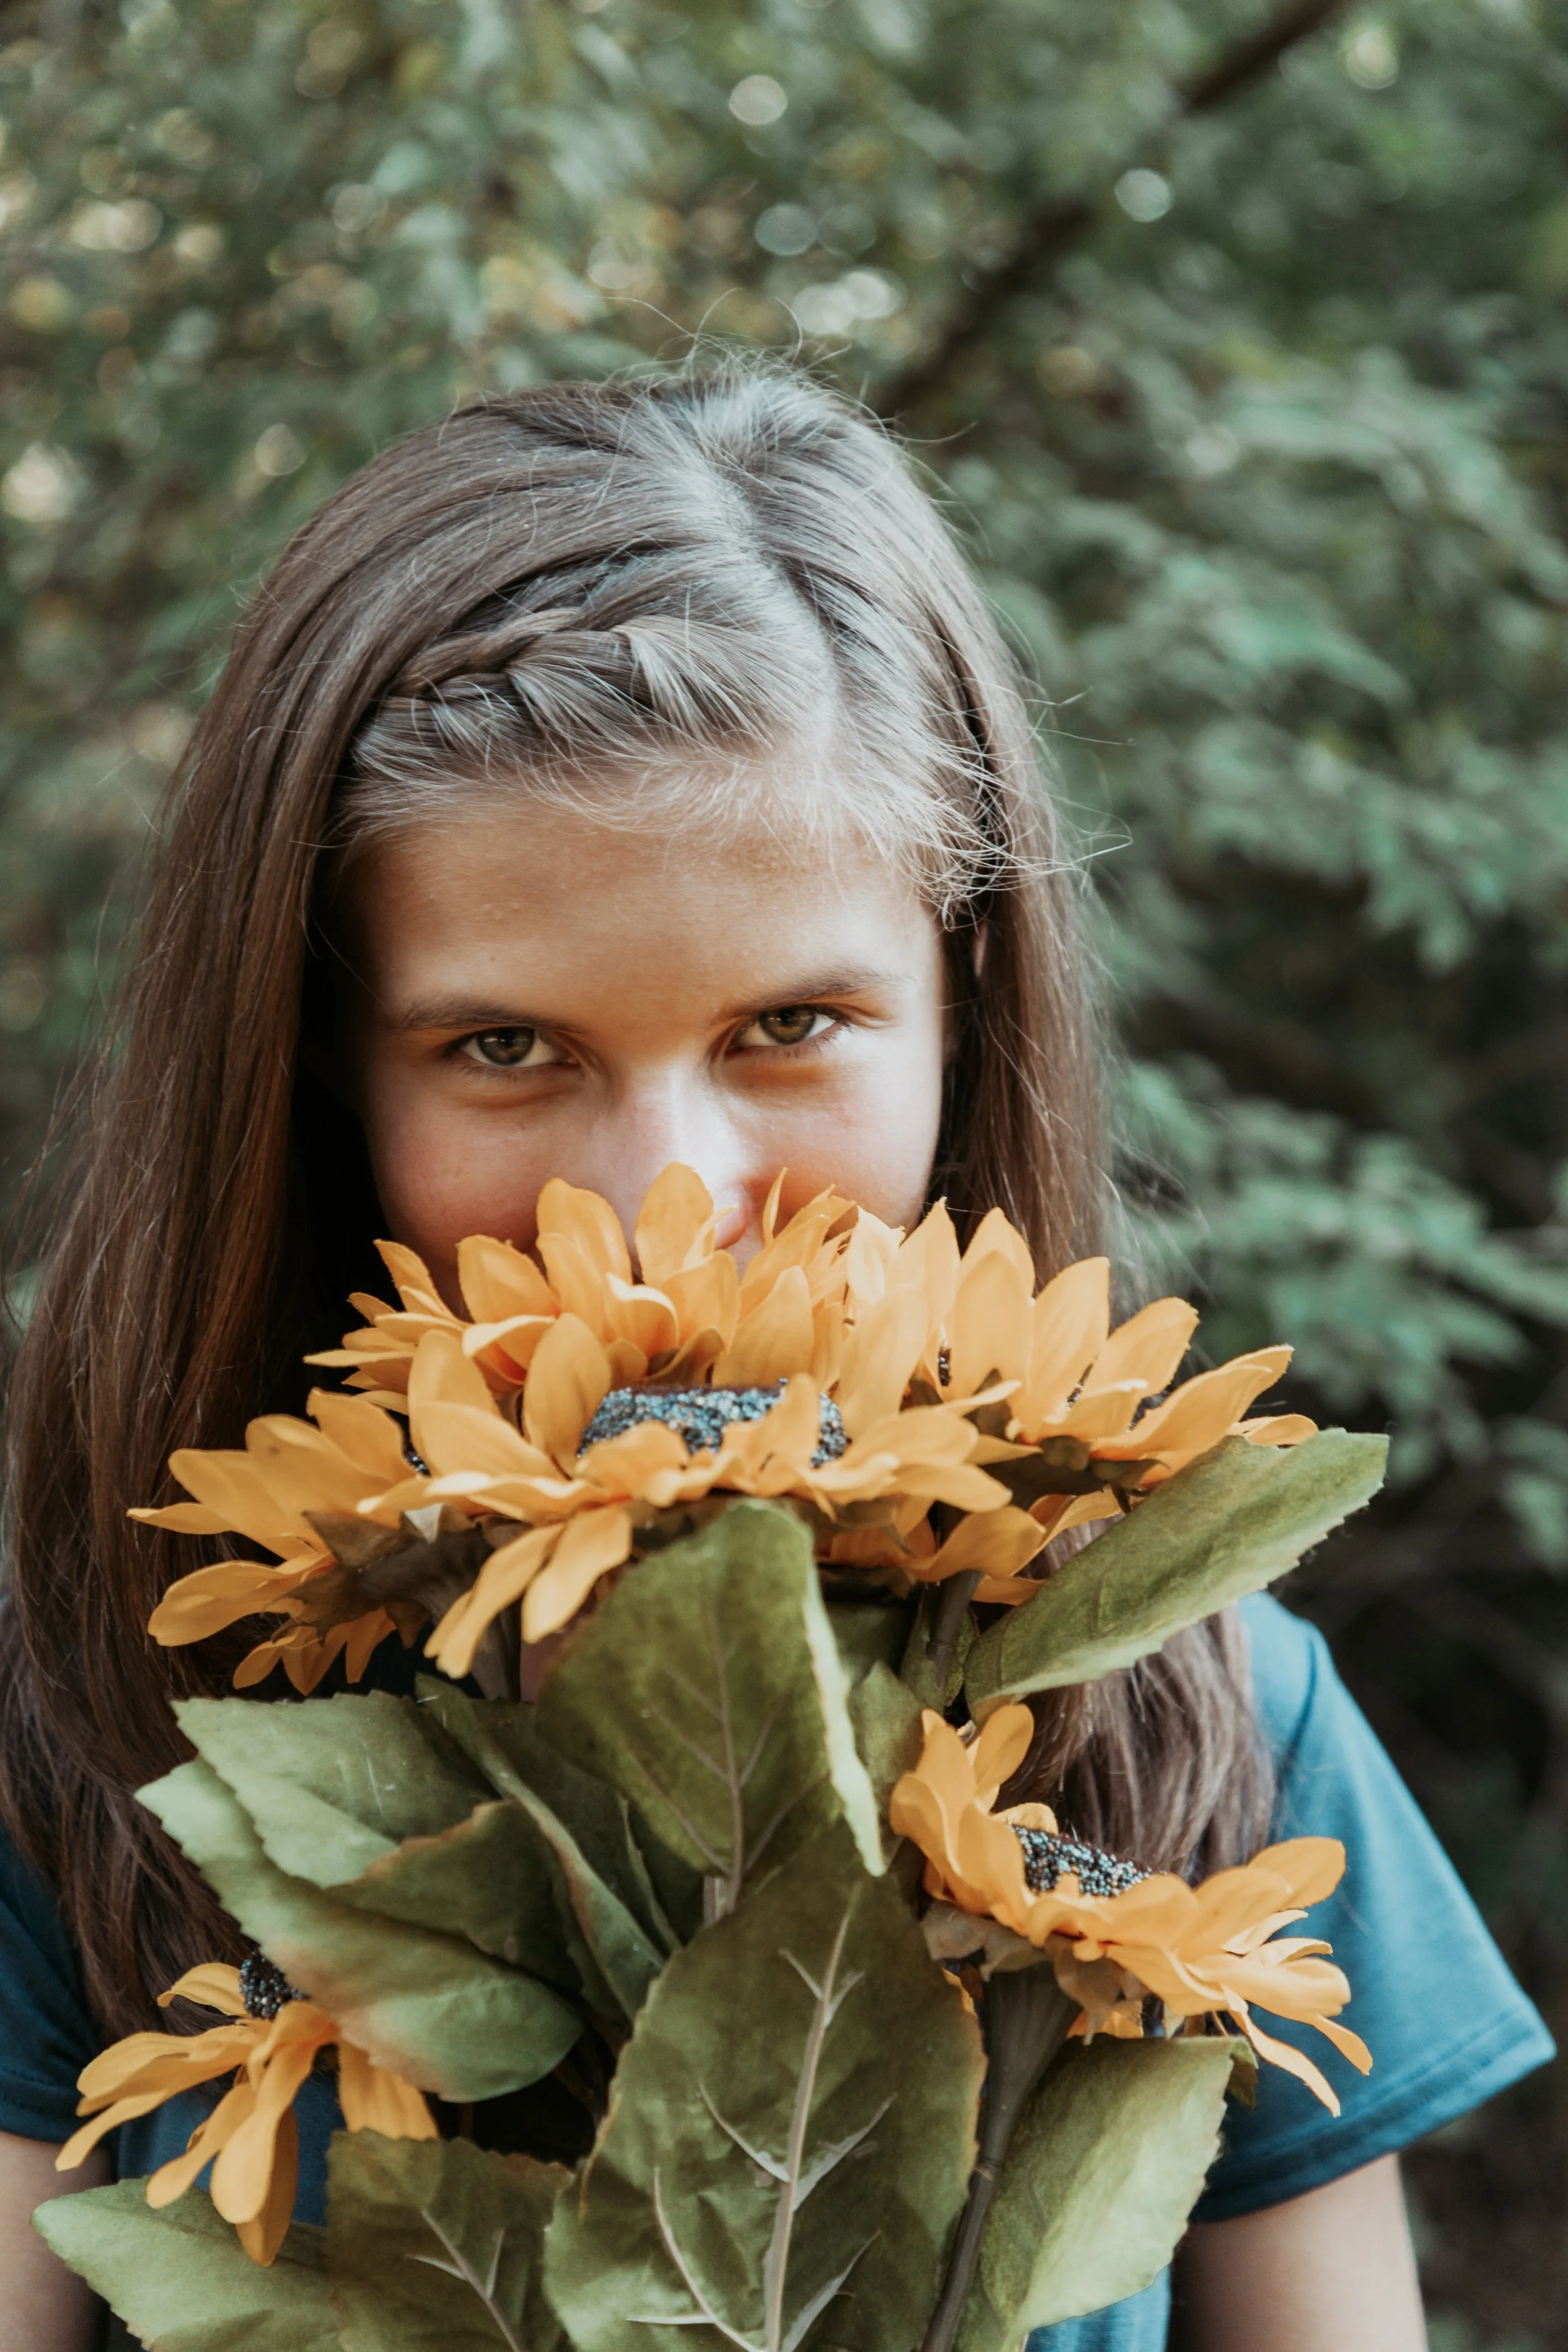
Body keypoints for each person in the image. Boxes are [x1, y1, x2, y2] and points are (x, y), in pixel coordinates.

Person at [0, 367, 1550, 2351]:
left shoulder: (1202, 1722)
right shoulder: (86, 1715)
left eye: (788, 1027)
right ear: (318, 1060)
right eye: (503, 1047)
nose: (668, 1204)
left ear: (961, 981)